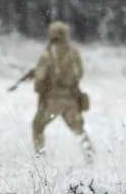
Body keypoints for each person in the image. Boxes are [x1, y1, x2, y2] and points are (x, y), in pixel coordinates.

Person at [31, 21, 94, 157]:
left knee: (37, 126)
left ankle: (40, 157)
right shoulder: (74, 52)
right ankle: (90, 156)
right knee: (78, 129)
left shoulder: (48, 54)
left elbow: (40, 79)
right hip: (71, 99)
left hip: (52, 101)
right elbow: (80, 73)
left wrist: (39, 85)